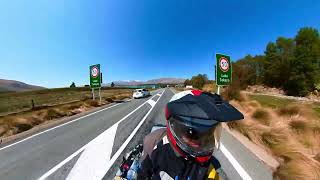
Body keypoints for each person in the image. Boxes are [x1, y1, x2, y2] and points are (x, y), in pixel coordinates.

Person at [137, 90, 244, 180]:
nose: (202, 141)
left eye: (209, 133)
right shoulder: (154, 146)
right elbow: (142, 174)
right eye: (192, 133)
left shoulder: (209, 164)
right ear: (175, 127)